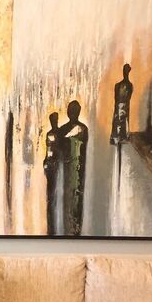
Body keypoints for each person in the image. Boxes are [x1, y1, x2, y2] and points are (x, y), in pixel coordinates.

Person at [57, 100, 89, 236]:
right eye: (72, 111)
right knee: (70, 197)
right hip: (70, 168)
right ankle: (70, 228)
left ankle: (75, 228)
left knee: (76, 196)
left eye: (76, 111)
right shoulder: (65, 130)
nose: (74, 113)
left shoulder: (81, 129)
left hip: (77, 168)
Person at [43, 112, 61, 234]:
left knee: (53, 196)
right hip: (52, 167)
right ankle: (52, 227)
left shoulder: (55, 134)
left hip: (54, 167)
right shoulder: (53, 134)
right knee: (52, 196)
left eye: (54, 120)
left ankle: (53, 227)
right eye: (52, 120)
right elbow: (49, 152)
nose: (53, 122)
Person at [111, 64, 134, 144]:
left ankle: (119, 136)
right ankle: (119, 136)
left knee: (121, 119)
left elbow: (118, 97)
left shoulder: (123, 85)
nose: (125, 73)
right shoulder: (127, 85)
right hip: (122, 104)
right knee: (121, 118)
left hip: (122, 104)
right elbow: (128, 96)